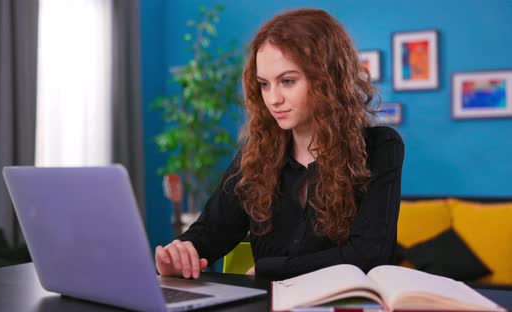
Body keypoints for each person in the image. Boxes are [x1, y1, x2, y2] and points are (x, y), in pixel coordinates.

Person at [155, 8, 404, 281]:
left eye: (287, 81)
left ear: (327, 79)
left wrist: (267, 269)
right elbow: (210, 234)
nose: (273, 99)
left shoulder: (381, 147)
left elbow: (369, 255)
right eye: (264, 84)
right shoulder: (255, 155)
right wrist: (179, 256)